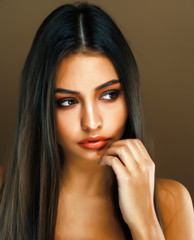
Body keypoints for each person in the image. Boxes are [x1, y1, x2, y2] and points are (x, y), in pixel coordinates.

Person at [0, 2, 193, 240]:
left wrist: (146, 223)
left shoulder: (171, 202)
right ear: (41, 108)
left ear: (130, 96)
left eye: (109, 95)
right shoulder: (4, 193)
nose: (91, 123)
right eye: (68, 102)